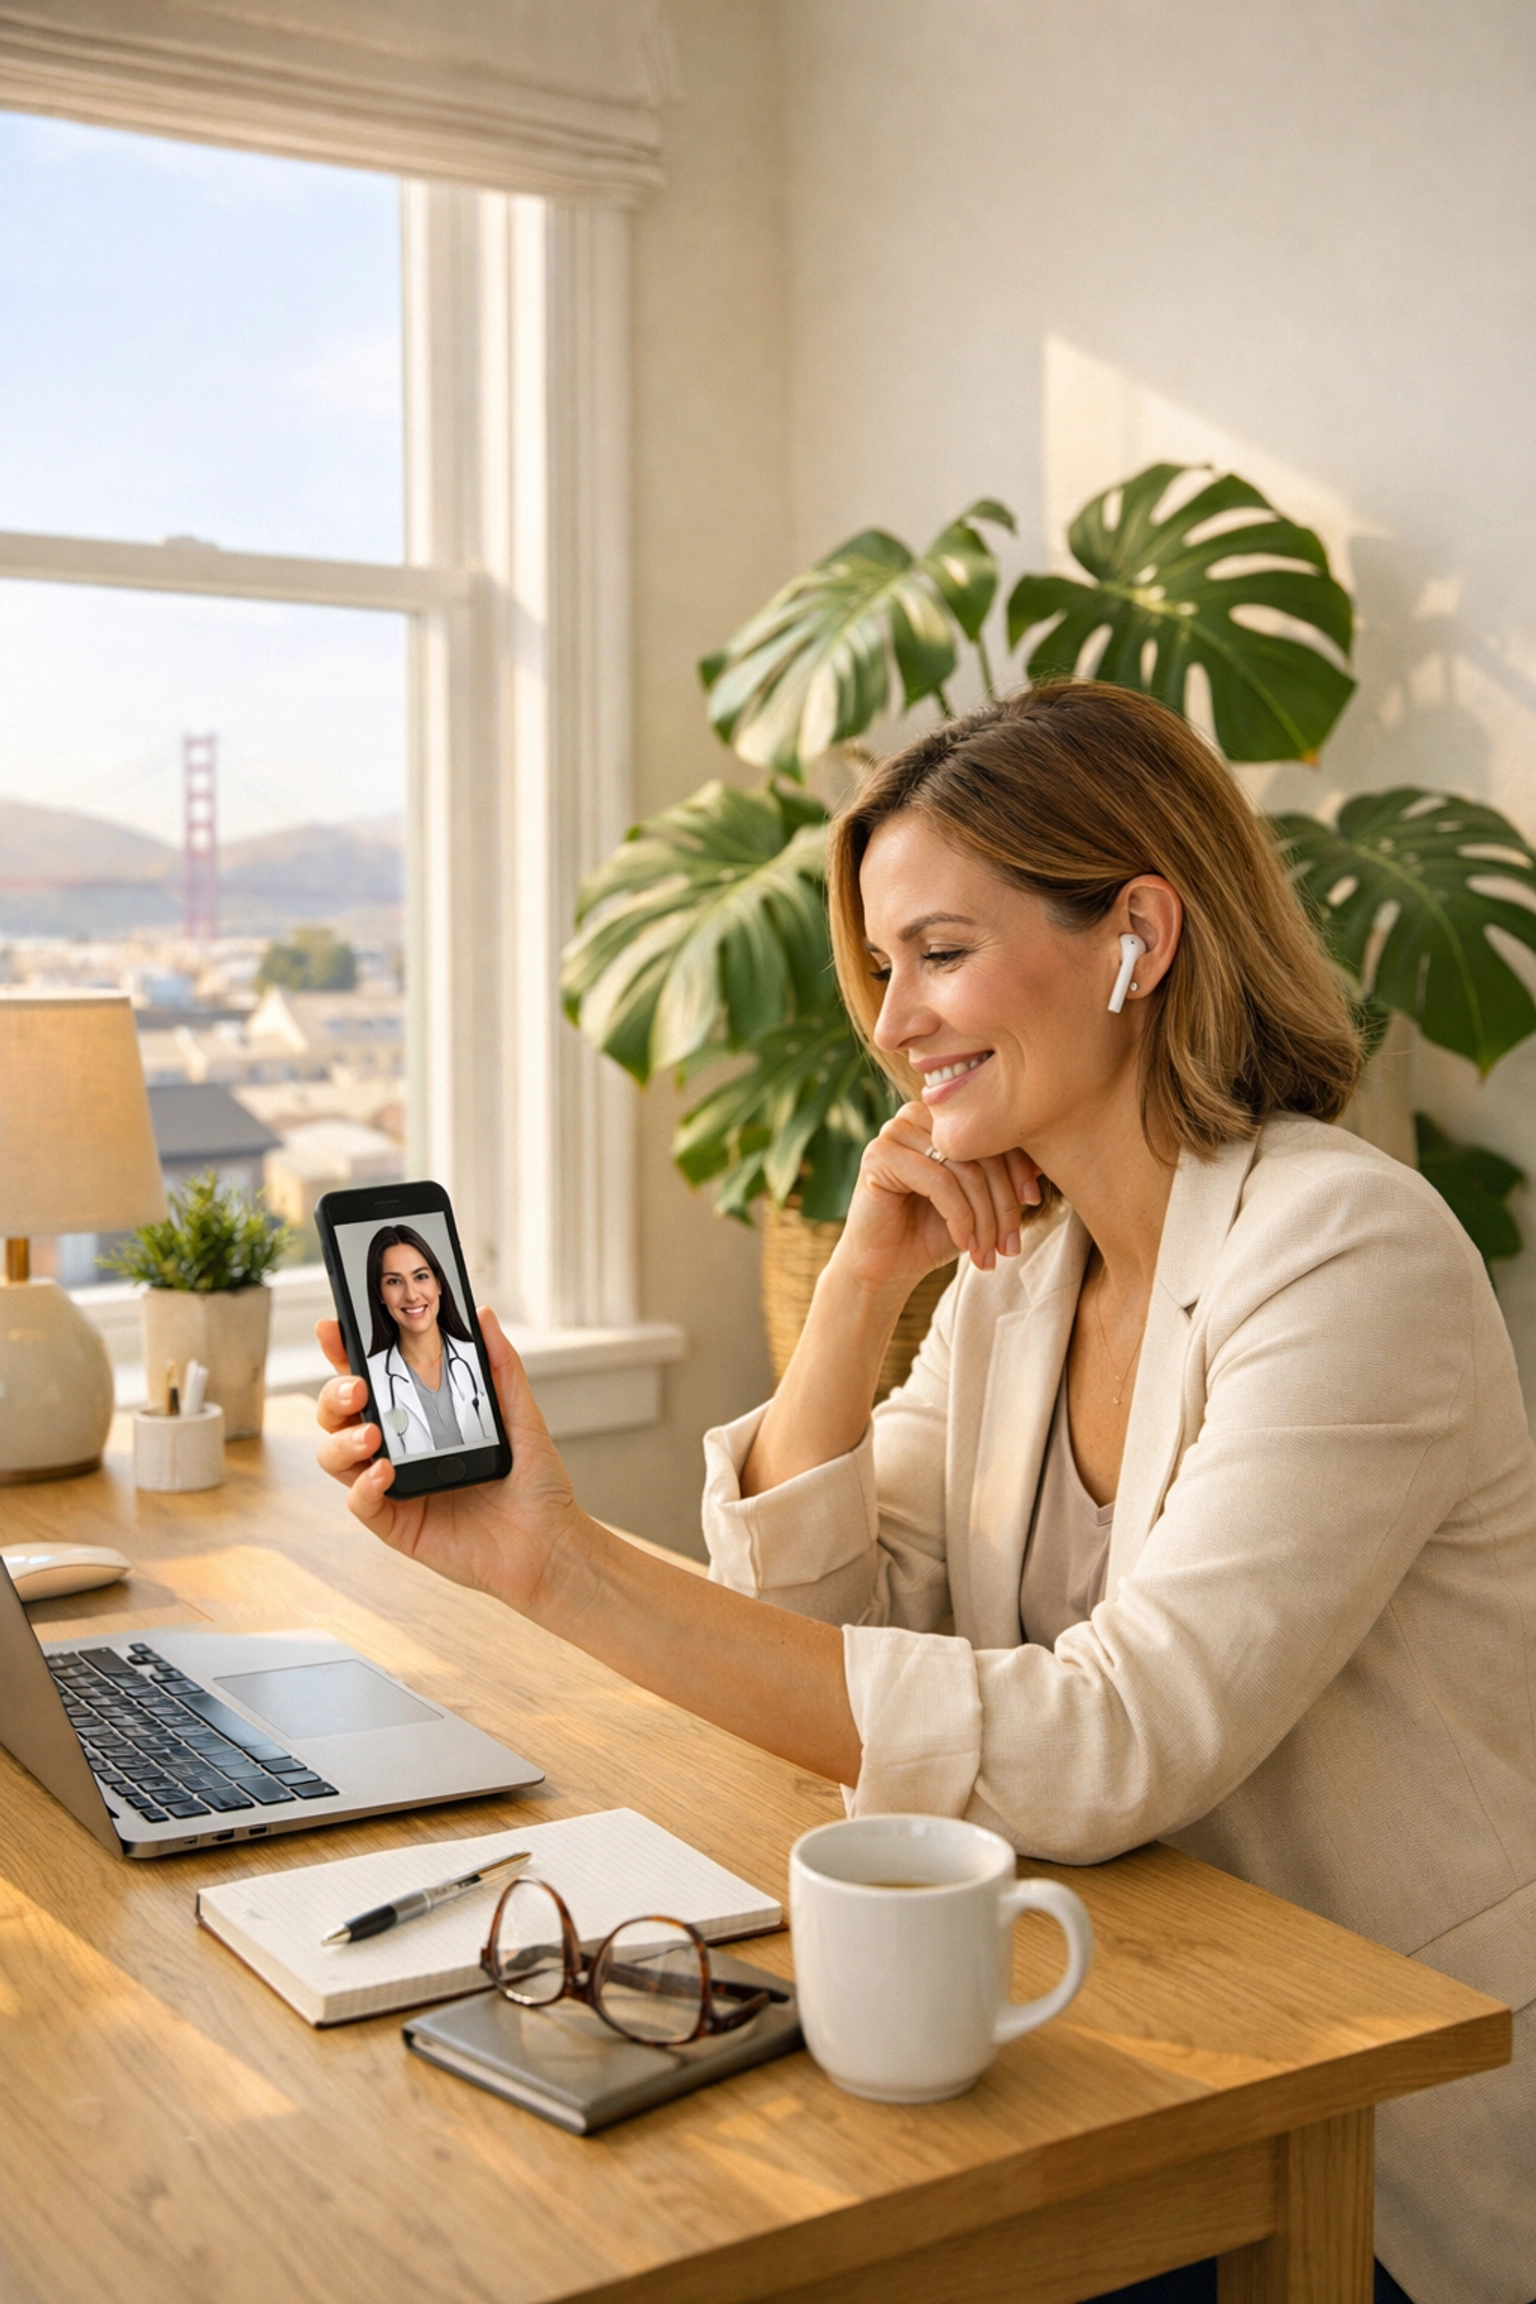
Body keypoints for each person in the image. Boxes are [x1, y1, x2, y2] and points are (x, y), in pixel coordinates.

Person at [317, 684, 1536, 2304]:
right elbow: (819, 1634)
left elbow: (1112, 1736)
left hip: (1352, 2117)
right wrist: (859, 1283)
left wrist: (561, 1565)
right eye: (885, 964)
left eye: (941, 951)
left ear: (1137, 936)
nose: (891, 1020)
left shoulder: (1342, 1248)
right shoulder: (1025, 1265)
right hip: (1111, 2018)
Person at [361, 1224, 497, 1460]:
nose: (412, 1295)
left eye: (421, 1277)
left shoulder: (480, 1359)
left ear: (439, 1284)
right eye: (394, 1281)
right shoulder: (369, 1378)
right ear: (380, 1294)